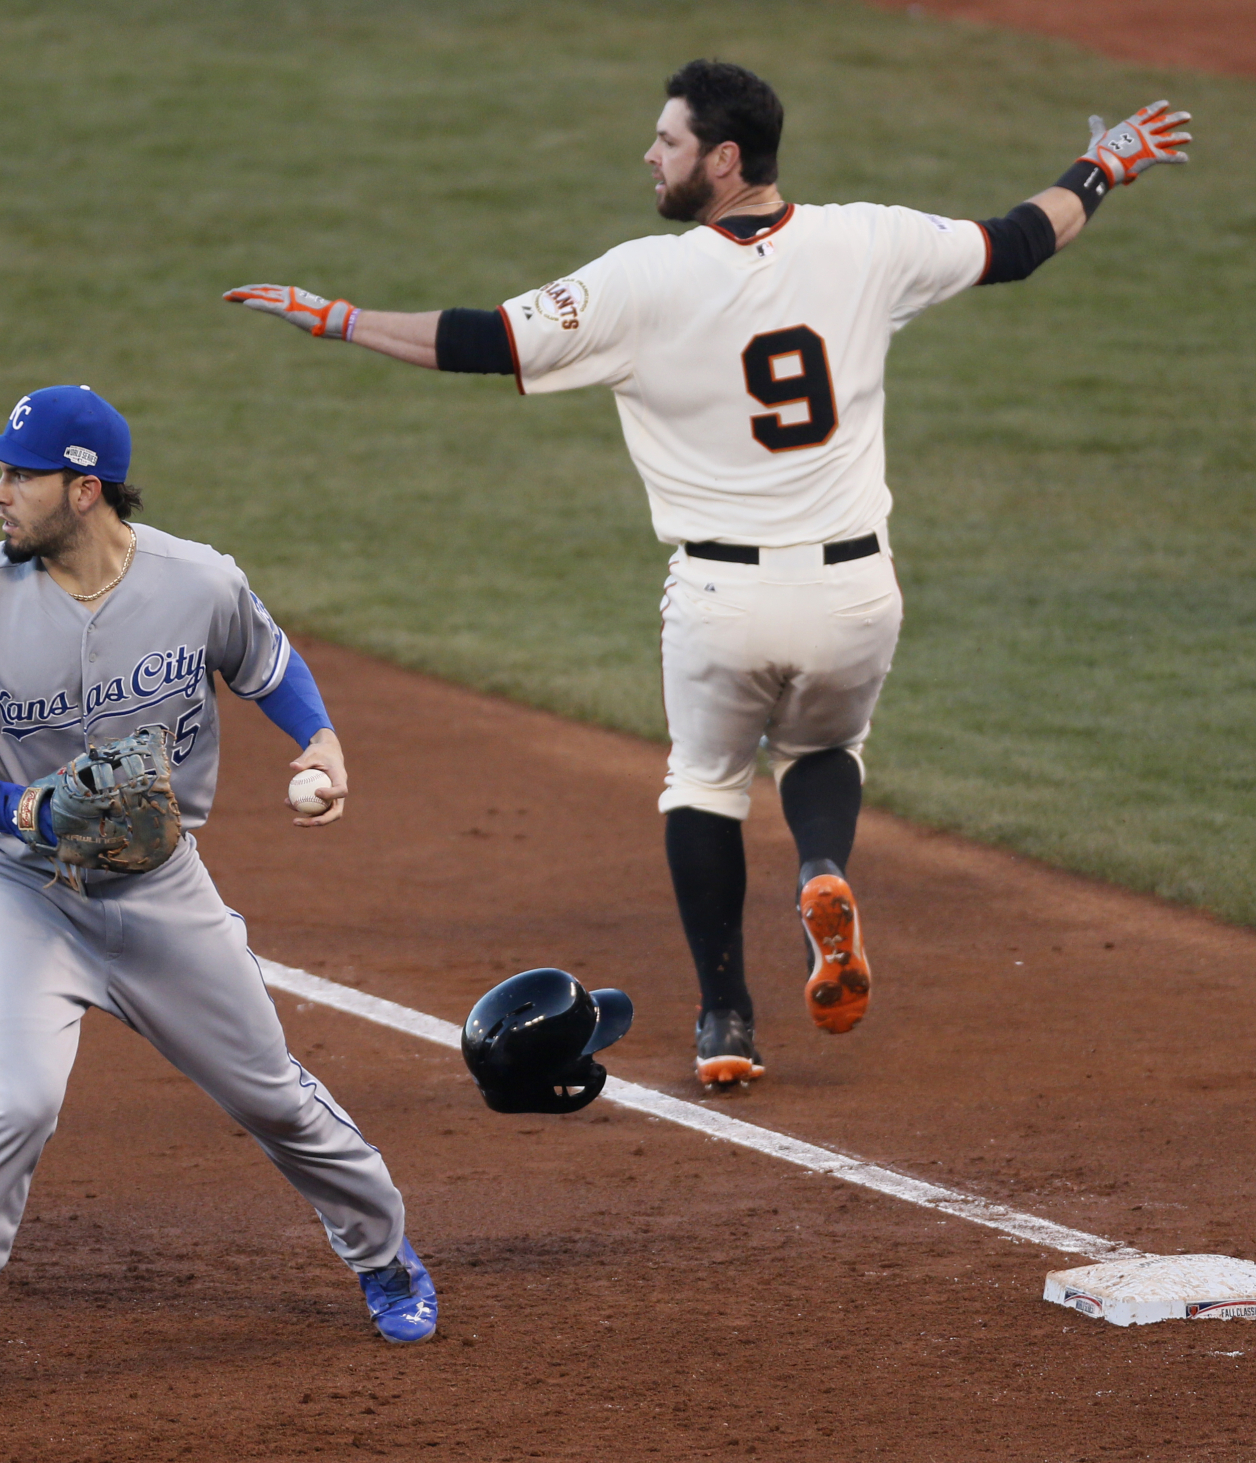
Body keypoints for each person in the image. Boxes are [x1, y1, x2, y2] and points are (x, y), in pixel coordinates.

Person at [224, 62, 1189, 1088]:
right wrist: (1101, 167)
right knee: (824, 747)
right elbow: (1018, 242)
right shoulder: (870, 239)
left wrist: (336, 318)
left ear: (722, 160)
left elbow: (476, 340)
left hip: (722, 601)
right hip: (856, 594)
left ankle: (725, 1018)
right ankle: (820, 871)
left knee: (707, 783)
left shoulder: (644, 278)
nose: (649, 153)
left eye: (668, 141)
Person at [0, 384, 437, 1420]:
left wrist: (318, 740)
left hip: (157, 891)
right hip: (21, 892)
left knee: (270, 1095)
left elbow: (267, 665)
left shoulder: (198, 582)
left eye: (17, 473)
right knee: (16, 1105)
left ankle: (386, 1257)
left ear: (83, 490)